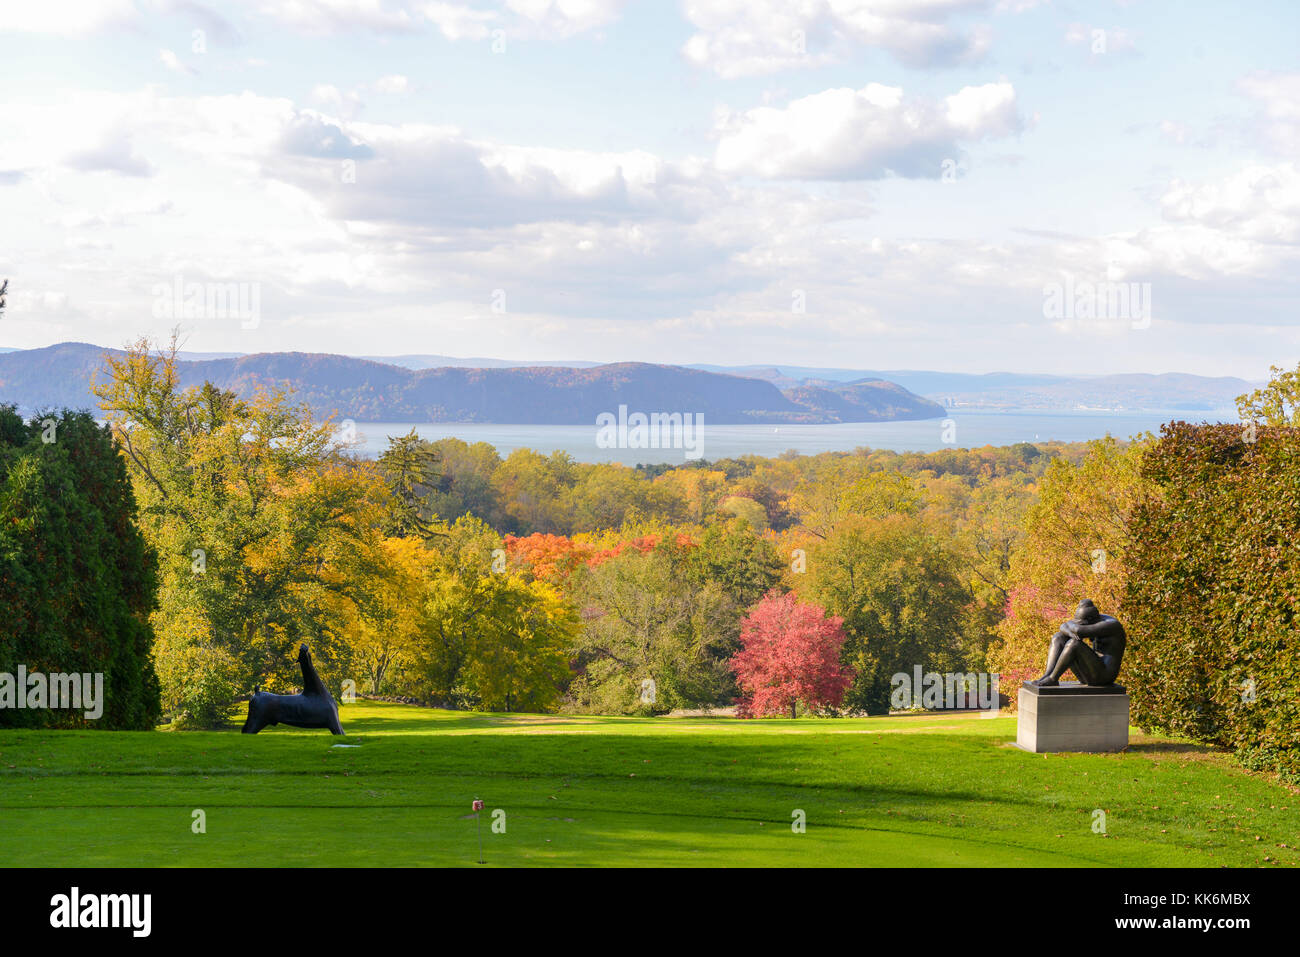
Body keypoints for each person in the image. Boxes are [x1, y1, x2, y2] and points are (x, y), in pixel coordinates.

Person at [1029, 598, 1125, 687]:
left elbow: (1078, 630)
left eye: (1082, 623)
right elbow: (1063, 626)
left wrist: (1070, 626)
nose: (1078, 624)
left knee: (1074, 644)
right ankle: (1048, 675)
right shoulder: (1093, 619)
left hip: (1103, 676)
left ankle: (1053, 678)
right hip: (1089, 673)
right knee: (1058, 637)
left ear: (1090, 619)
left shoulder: (1111, 625)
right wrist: (1070, 631)